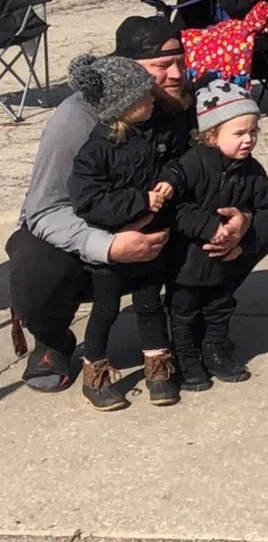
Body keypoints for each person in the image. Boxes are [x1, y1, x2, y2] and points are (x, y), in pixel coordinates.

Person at [10, 15, 195, 393]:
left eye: (181, 61)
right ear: (126, 70)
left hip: (156, 227)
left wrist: (234, 214)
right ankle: (53, 338)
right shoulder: (76, 116)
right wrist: (108, 247)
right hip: (92, 238)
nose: (177, 74)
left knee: (254, 221)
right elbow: (43, 211)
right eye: (162, 66)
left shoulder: (182, 100)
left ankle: (192, 325)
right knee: (35, 260)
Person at [66, 55, 178, 409]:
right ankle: (94, 370)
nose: (151, 101)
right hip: (112, 246)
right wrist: (138, 201)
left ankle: (157, 366)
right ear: (122, 107)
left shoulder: (156, 131)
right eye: (142, 98)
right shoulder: (95, 151)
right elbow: (88, 201)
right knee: (106, 309)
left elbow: (176, 159)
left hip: (150, 241)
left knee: (149, 304)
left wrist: (168, 181)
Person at [159, 80, 268, 393]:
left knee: (219, 307)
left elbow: (267, 208)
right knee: (183, 311)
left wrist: (246, 236)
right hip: (186, 261)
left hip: (225, 261)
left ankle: (214, 351)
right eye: (239, 133)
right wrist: (206, 226)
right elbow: (176, 205)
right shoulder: (194, 163)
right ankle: (186, 358)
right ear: (212, 134)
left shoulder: (252, 171)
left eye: (253, 131)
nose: (248, 140)